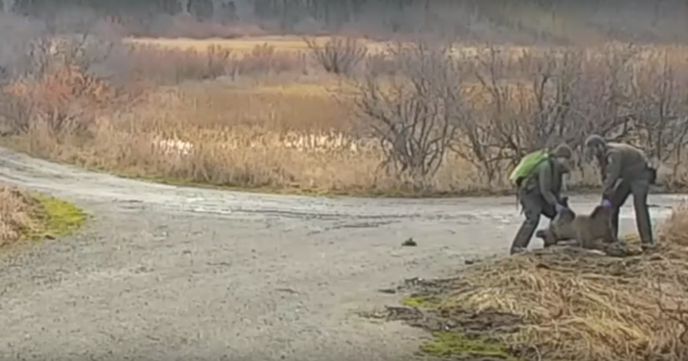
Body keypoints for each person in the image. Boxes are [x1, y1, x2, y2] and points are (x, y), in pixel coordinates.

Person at [584, 135, 656, 251]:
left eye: (593, 150)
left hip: (640, 176)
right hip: (627, 176)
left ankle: (647, 242)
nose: (592, 154)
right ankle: (611, 238)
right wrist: (606, 196)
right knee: (613, 205)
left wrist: (606, 192)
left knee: (640, 207)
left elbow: (613, 175)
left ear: (599, 146)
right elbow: (605, 174)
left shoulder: (614, 153)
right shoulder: (602, 155)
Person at [510, 143, 573, 255]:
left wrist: (560, 204)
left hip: (541, 195)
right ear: (560, 157)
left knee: (556, 215)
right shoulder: (546, 166)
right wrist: (555, 204)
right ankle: (517, 248)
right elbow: (546, 190)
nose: (568, 163)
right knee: (533, 219)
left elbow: (554, 191)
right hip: (530, 193)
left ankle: (551, 243)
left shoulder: (557, 170)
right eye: (567, 159)